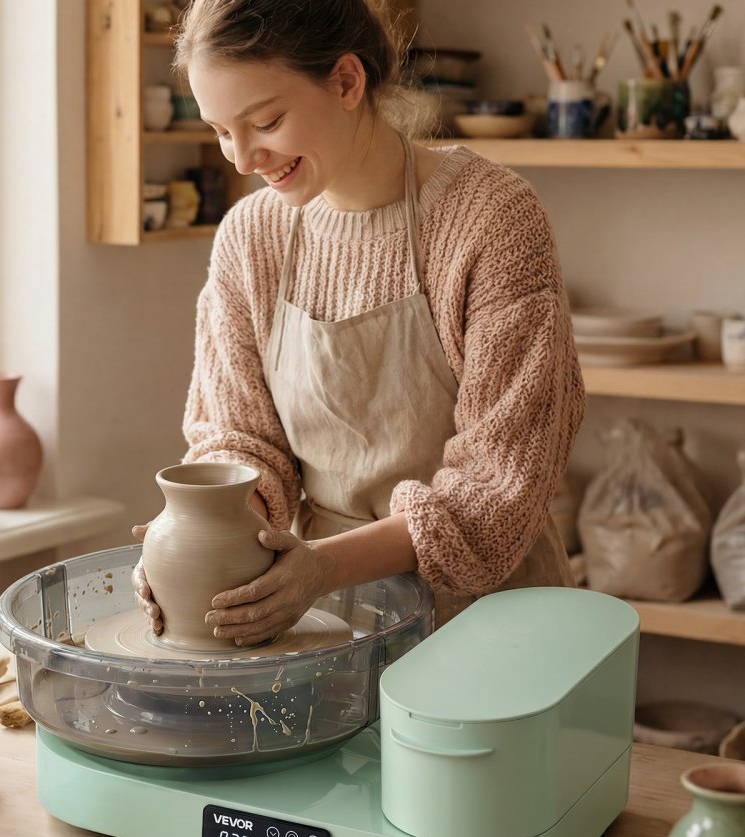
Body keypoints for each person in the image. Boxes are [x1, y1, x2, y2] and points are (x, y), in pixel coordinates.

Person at [134, 0, 584, 644]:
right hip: (321, 620)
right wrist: (200, 531)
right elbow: (241, 438)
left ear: (347, 81)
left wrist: (325, 568)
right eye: (221, 132)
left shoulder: (491, 220)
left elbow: (499, 484)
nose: (243, 159)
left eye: (265, 122)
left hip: (489, 623)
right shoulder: (250, 237)